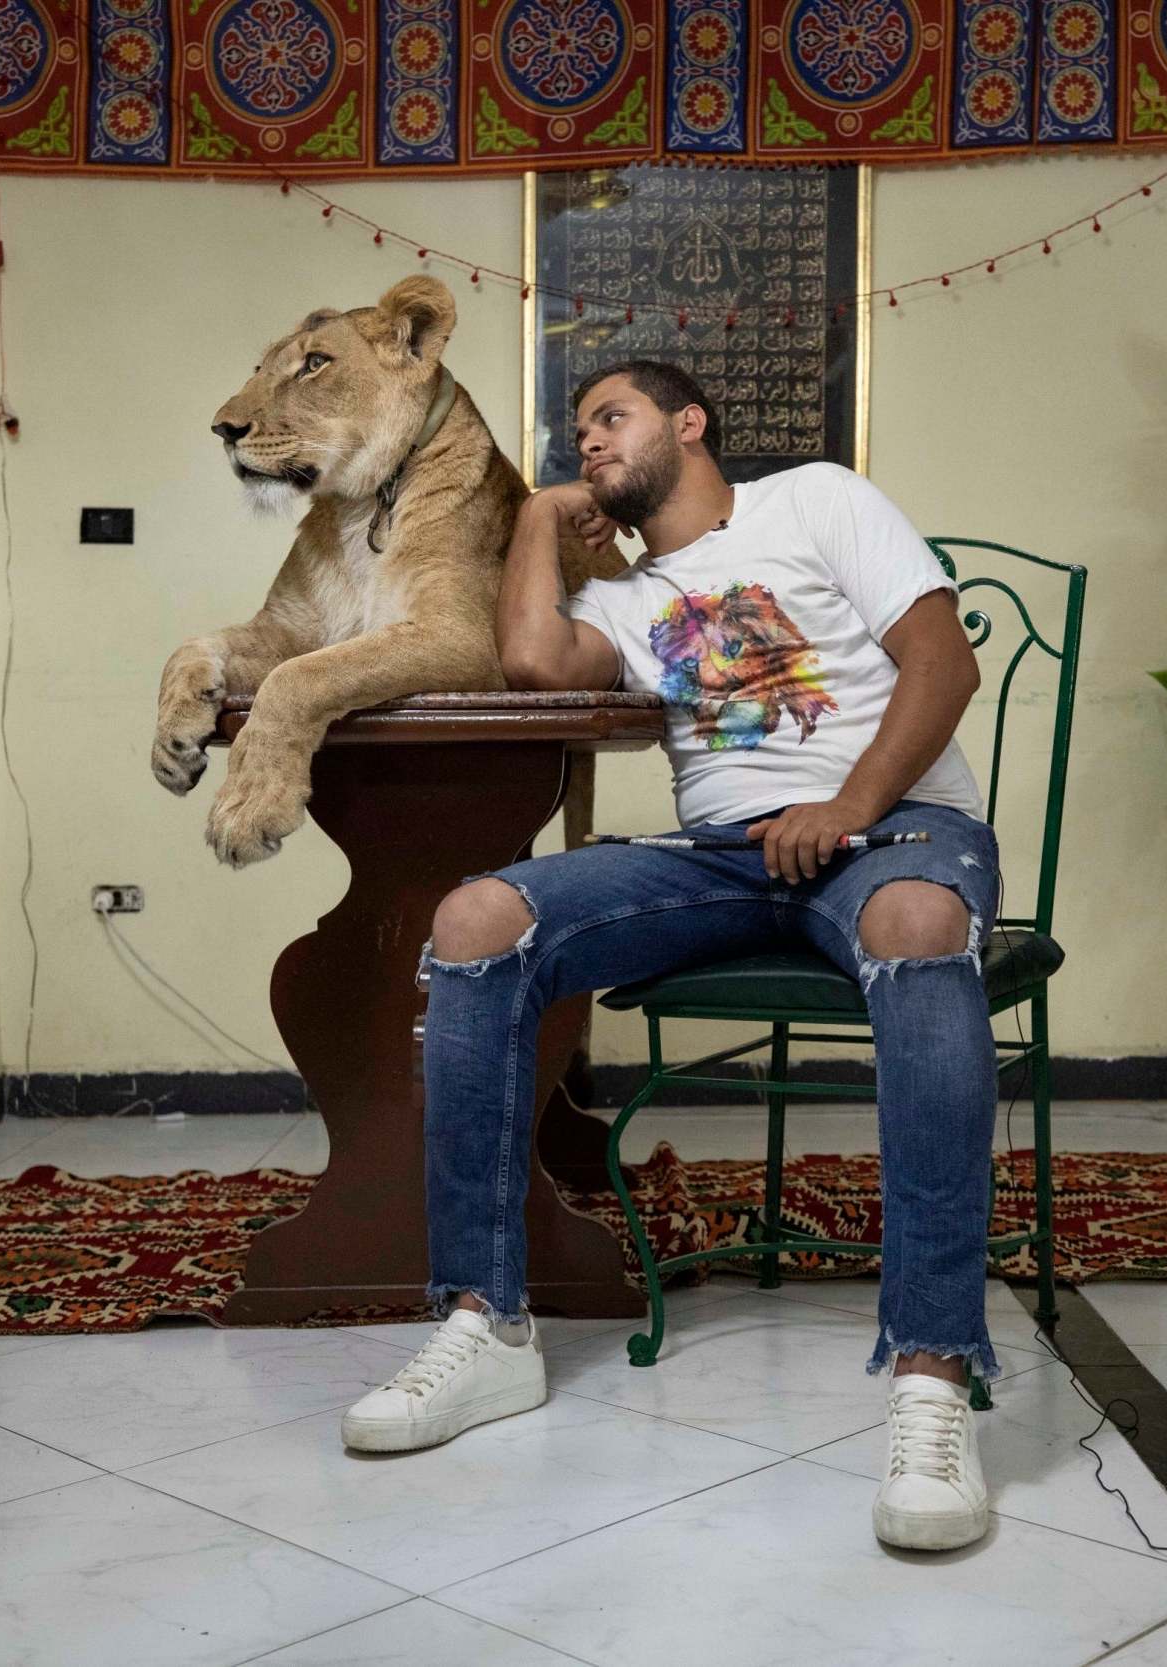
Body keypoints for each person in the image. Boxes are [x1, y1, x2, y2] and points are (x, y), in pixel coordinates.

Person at [339, 360, 1003, 1552]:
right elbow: (532, 663)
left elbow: (943, 663)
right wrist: (539, 516)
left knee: (916, 924)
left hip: (890, 833)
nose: (589, 442)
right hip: (721, 859)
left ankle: (932, 1372)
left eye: (612, 418)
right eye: (577, 432)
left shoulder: (816, 498)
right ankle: (487, 1323)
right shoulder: (623, 599)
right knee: (474, 919)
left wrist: (846, 806)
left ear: (689, 422)